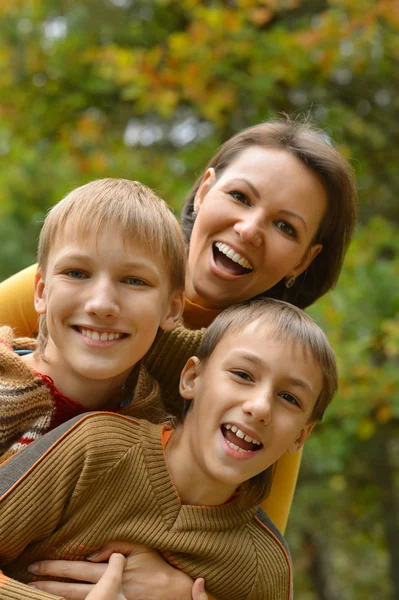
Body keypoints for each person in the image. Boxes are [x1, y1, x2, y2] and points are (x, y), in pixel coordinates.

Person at [0, 118, 357, 540]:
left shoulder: (274, 379)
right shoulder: (92, 276)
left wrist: (179, 584)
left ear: (303, 259)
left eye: (285, 227)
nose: (249, 229)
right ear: (204, 191)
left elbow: (256, 538)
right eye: (240, 197)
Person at [0, 298, 337, 600]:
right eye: (243, 374)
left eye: (289, 398)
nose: (261, 407)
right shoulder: (95, 448)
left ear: (300, 436)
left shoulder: (264, 569)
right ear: (192, 378)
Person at [0, 177, 204, 464]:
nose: (101, 305)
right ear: (42, 292)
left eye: (134, 280)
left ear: (171, 310)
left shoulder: (156, 447)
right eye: (77, 273)